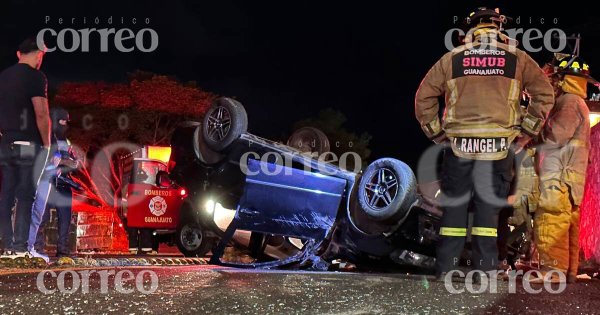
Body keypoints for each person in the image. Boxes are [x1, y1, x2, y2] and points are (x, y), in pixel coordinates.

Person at [414, 7, 554, 279]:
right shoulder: (517, 59)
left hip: (459, 149)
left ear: (471, 28)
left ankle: (446, 270)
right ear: (498, 28)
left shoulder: (452, 59)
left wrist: (437, 134)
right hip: (499, 148)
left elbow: (423, 99)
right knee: (488, 215)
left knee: (453, 212)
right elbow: (544, 94)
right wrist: (525, 134)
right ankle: (485, 272)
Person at [529, 54, 595, 283]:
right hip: (569, 178)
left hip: (558, 176)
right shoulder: (577, 102)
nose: (550, 83)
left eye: (553, 78)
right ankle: (567, 271)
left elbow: (554, 137)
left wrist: (533, 132)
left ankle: (552, 272)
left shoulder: (568, 103)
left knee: (551, 219)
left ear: (563, 79)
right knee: (568, 224)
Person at [0, 38, 51, 258]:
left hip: (7, 143)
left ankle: (7, 246)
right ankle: (21, 248)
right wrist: (47, 144)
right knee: (26, 195)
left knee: (7, 194)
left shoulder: (4, 76)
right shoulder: (36, 77)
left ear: (19, 54)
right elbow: (41, 113)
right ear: (39, 54)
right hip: (29, 144)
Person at [30, 107, 77, 261]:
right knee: (41, 216)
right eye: (62, 121)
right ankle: (37, 247)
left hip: (64, 184)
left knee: (65, 220)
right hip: (49, 182)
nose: (65, 124)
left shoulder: (67, 141)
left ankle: (63, 250)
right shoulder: (45, 137)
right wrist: (64, 161)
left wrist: (67, 162)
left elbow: (75, 163)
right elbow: (45, 158)